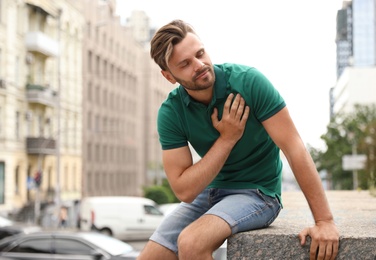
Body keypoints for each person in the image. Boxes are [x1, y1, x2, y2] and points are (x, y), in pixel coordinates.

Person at [138, 19, 339, 260]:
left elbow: (294, 147)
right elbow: (185, 190)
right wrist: (227, 138)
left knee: (191, 243)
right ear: (169, 76)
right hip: (210, 192)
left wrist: (324, 220)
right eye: (185, 64)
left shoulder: (249, 82)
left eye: (200, 53)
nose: (200, 65)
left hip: (258, 193)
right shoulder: (171, 112)